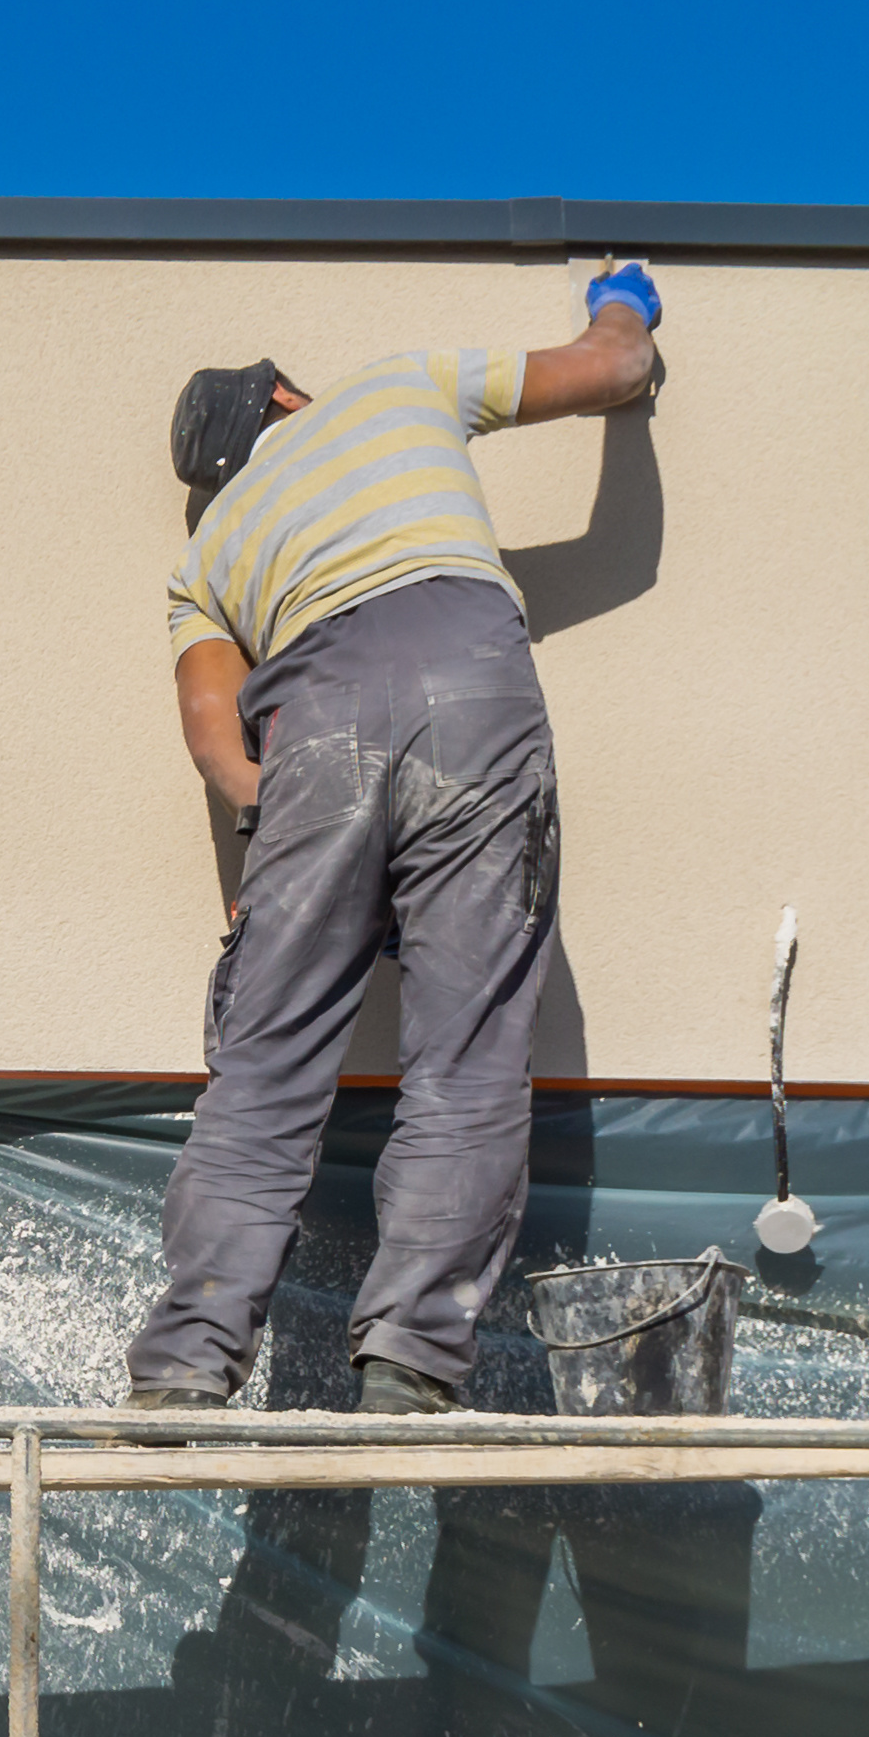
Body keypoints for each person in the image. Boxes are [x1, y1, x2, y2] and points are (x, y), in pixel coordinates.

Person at [124, 264, 665, 1418]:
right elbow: (609, 371)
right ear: (283, 402)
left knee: (264, 1067)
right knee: (464, 1052)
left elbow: (214, 735)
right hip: (470, 683)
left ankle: (183, 1361)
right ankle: (412, 1360)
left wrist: (283, 846)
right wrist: (628, 306)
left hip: (310, 725)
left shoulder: (207, 559)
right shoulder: (393, 389)